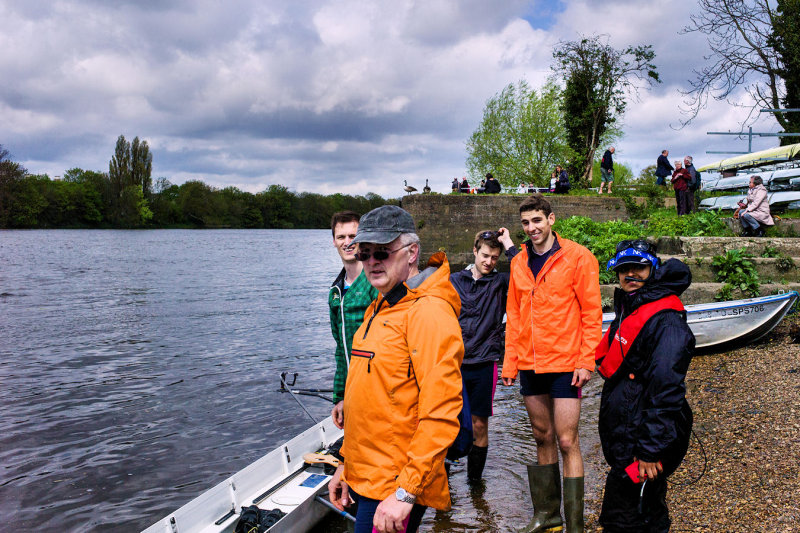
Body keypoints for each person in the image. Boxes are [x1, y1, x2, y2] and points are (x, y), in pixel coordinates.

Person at [328, 205, 464, 533]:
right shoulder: (383, 303)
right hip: (369, 473)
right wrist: (346, 464)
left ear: (412, 251)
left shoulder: (428, 313)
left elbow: (442, 412)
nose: (371, 261)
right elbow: (370, 402)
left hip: (394, 482)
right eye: (364, 253)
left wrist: (405, 493)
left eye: (382, 252)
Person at [502, 194, 602, 533]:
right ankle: (548, 514)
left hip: (565, 361)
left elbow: (591, 313)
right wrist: (509, 364)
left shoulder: (578, 257)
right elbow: (514, 316)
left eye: (537, 221)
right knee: (541, 436)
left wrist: (586, 360)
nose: (531, 228)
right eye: (526, 223)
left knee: (566, 440)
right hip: (530, 362)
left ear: (551, 220)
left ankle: (574, 524)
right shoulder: (517, 262)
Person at [597, 240, 695, 532]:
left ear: (653, 268)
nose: (630, 275)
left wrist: (651, 451)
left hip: (644, 439)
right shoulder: (634, 305)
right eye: (623, 270)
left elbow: (667, 390)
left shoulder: (666, 320)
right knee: (646, 509)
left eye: (638, 268)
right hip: (632, 432)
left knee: (623, 517)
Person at [450, 228, 517, 483]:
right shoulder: (454, 280)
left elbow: (526, 271)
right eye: (485, 255)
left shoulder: (500, 282)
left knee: (479, 425)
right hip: (453, 364)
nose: (489, 262)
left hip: (484, 363)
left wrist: (509, 244)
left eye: (494, 258)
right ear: (475, 251)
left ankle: (474, 484)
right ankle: (443, 488)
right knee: (446, 423)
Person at [328, 211, 380, 429]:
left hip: (378, 389)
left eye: (353, 236)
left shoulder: (376, 283)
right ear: (334, 241)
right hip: (352, 389)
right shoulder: (335, 291)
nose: (347, 242)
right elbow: (341, 349)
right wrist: (340, 396)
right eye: (341, 237)